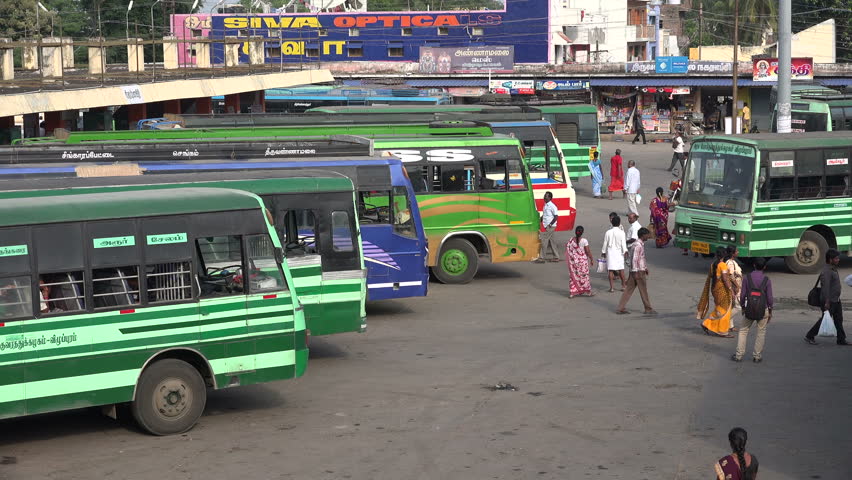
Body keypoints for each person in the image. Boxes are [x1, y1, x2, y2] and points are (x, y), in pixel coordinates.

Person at [732, 257, 773, 363]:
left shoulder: (747, 278)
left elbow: (743, 296)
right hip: (762, 310)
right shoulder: (766, 280)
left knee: (743, 331)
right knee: (761, 332)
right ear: (764, 267)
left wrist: (743, 307)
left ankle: (739, 355)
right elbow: (770, 299)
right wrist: (770, 311)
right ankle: (757, 356)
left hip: (749, 309)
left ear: (754, 265)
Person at [804, 248, 849, 345]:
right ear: (830, 259)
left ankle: (841, 339)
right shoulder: (826, 271)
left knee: (838, 319)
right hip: (829, 301)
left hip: (836, 299)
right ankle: (810, 335)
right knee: (824, 319)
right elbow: (825, 288)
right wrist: (827, 302)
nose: (838, 260)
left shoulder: (832, 268)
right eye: (836, 258)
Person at [616, 227, 656, 315]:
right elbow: (635, 259)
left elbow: (640, 258)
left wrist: (645, 267)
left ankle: (620, 308)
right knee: (643, 290)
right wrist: (636, 272)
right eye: (647, 235)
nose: (648, 236)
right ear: (643, 235)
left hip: (636, 270)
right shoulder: (638, 245)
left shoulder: (638, 244)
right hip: (638, 271)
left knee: (628, 289)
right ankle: (648, 308)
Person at [698, 247, 734, 337]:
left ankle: (707, 323)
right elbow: (725, 279)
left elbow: (712, 277)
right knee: (725, 310)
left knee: (719, 308)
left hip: (714, 289)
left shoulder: (713, 264)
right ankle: (722, 331)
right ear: (724, 254)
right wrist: (731, 289)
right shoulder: (722, 265)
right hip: (722, 290)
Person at [566, 226, 594, 298]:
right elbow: (587, 251)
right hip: (582, 262)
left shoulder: (571, 240)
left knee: (574, 276)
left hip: (574, 263)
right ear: (582, 232)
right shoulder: (584, 241)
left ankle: (572, 292)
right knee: (584, 277)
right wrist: (591, 259)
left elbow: (568, 249)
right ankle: (588, 291)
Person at [601, 215, 627, 292]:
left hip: (610, 252)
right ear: (619, 223)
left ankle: (612, 287)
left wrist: (603, 252)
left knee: (610, 270)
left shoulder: (608, 232)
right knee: (621, 269)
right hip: (619, 253)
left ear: (612, 223)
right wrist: (625, 251)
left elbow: (605, 243)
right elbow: (623, 244)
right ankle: (623, 286)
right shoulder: (622, 232)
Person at [533, 191, 560, 263]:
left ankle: (542, 258)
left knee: (544, 240)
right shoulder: (546, 205)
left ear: (550, 198)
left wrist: (550, 224)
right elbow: (545, 215)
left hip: (550, 226)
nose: (544, 197)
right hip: (547, 226)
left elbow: (556, 216)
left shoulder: (552, 206)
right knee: (552, 242)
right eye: (544, 195)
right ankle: (556, 257)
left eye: (546, 196)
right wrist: (539, 220)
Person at [726, 246, 743, 331]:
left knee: (732, 306)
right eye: (736, 251)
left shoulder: (732, 262)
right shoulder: (730, 263)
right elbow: (731, 276)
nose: (738, 252)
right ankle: (726, 319)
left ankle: (730, 326)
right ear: (732, 253)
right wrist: (736, 286)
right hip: (735, 287)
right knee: (738, 306)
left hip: (736, 285)